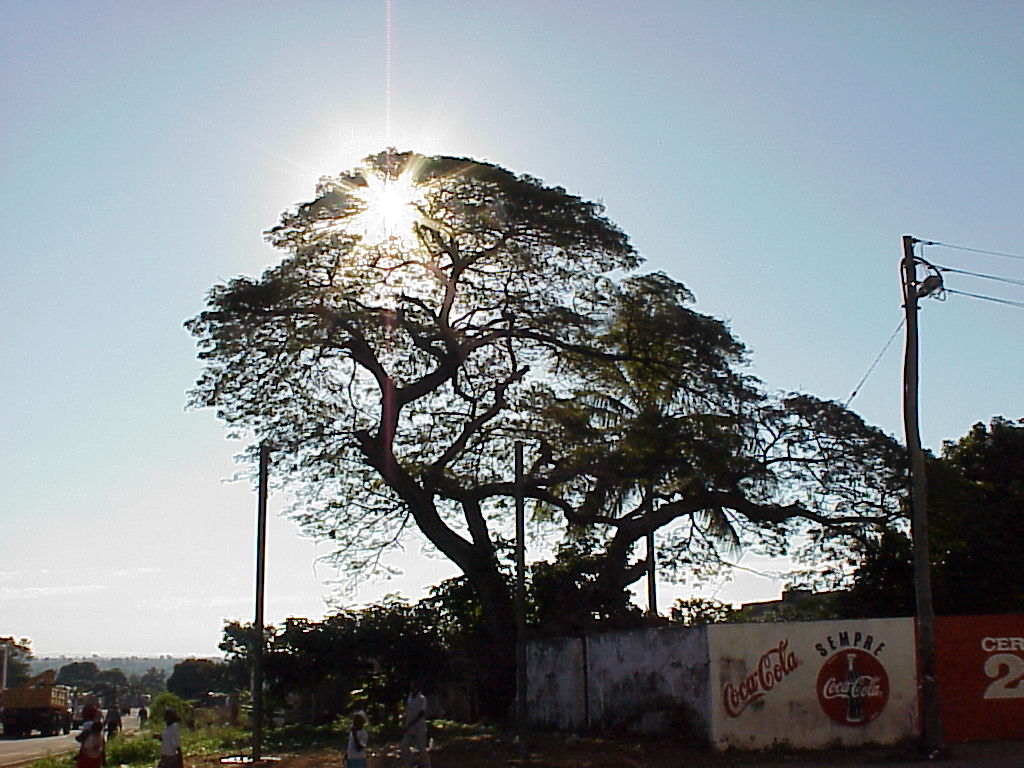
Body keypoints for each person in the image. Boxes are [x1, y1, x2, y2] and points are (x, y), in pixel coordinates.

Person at [399, 682, 430, 768]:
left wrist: (411, 723)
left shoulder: (422, 699)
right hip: (409, 726)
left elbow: (421, 714)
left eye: (415, 687)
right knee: (404, 745)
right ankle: (413, 763)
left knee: (421, 748)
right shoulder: (410, 697)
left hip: (419, 727)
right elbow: (408, 711)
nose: (413, 689)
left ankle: (427, 765)